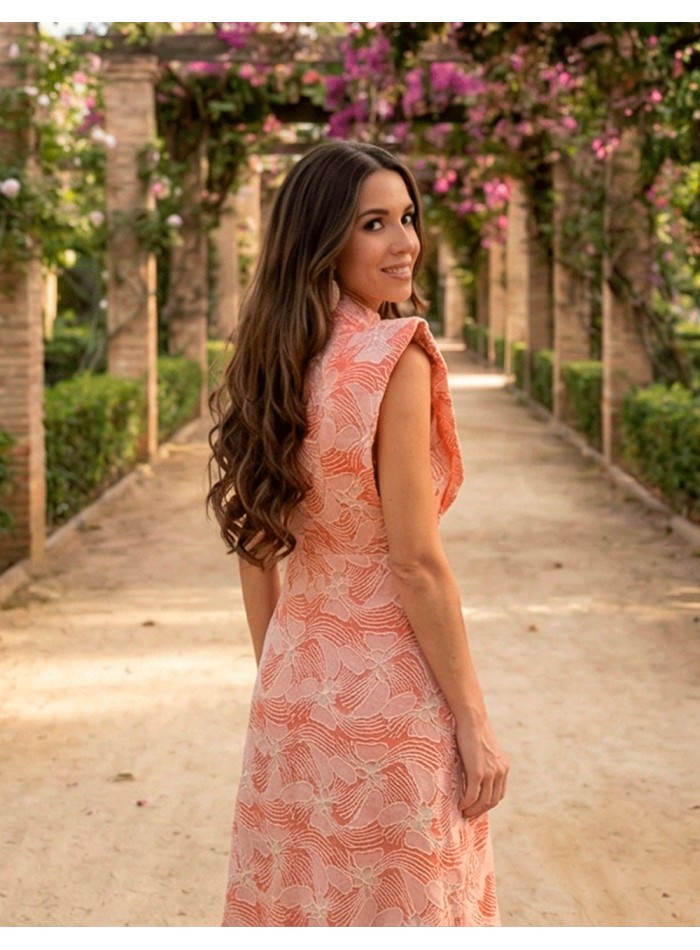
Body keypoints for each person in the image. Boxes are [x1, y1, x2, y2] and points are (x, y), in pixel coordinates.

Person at [207, 140, 509, 927]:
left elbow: (256, 548)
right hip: (393, 697)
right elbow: (414, 564)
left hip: (292, 690)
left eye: (407, 217)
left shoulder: (272, 360)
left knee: (302, 907)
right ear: (324, 239)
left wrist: (284, 683)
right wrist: (474, 722)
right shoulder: (393, 357)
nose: (404, 241)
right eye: (373, 223)